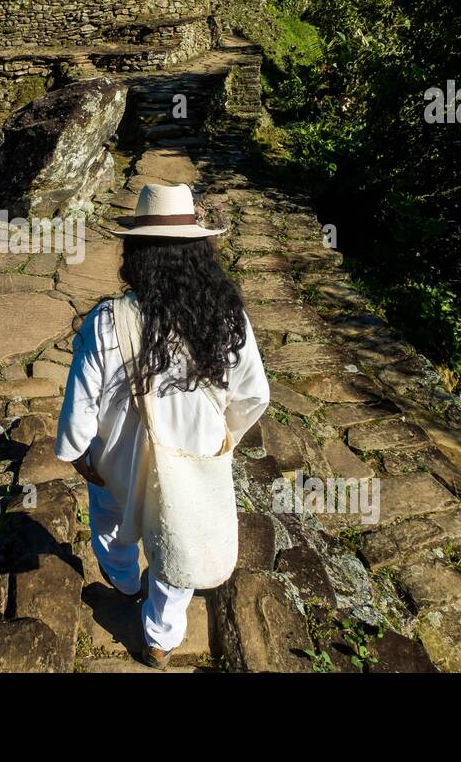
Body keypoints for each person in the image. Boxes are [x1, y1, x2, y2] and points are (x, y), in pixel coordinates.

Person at [55, 182, 270, 670]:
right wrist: (223, 436)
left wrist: (77, 452)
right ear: (200, 251)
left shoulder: (109, 321)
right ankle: (161, 637)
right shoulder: (227, 317)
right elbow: (254, 394)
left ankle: (126, 581)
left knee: (111, 524)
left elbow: (81, 403)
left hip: (120, 458)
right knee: (179, 542)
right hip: (191, 457)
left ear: (135, 252)